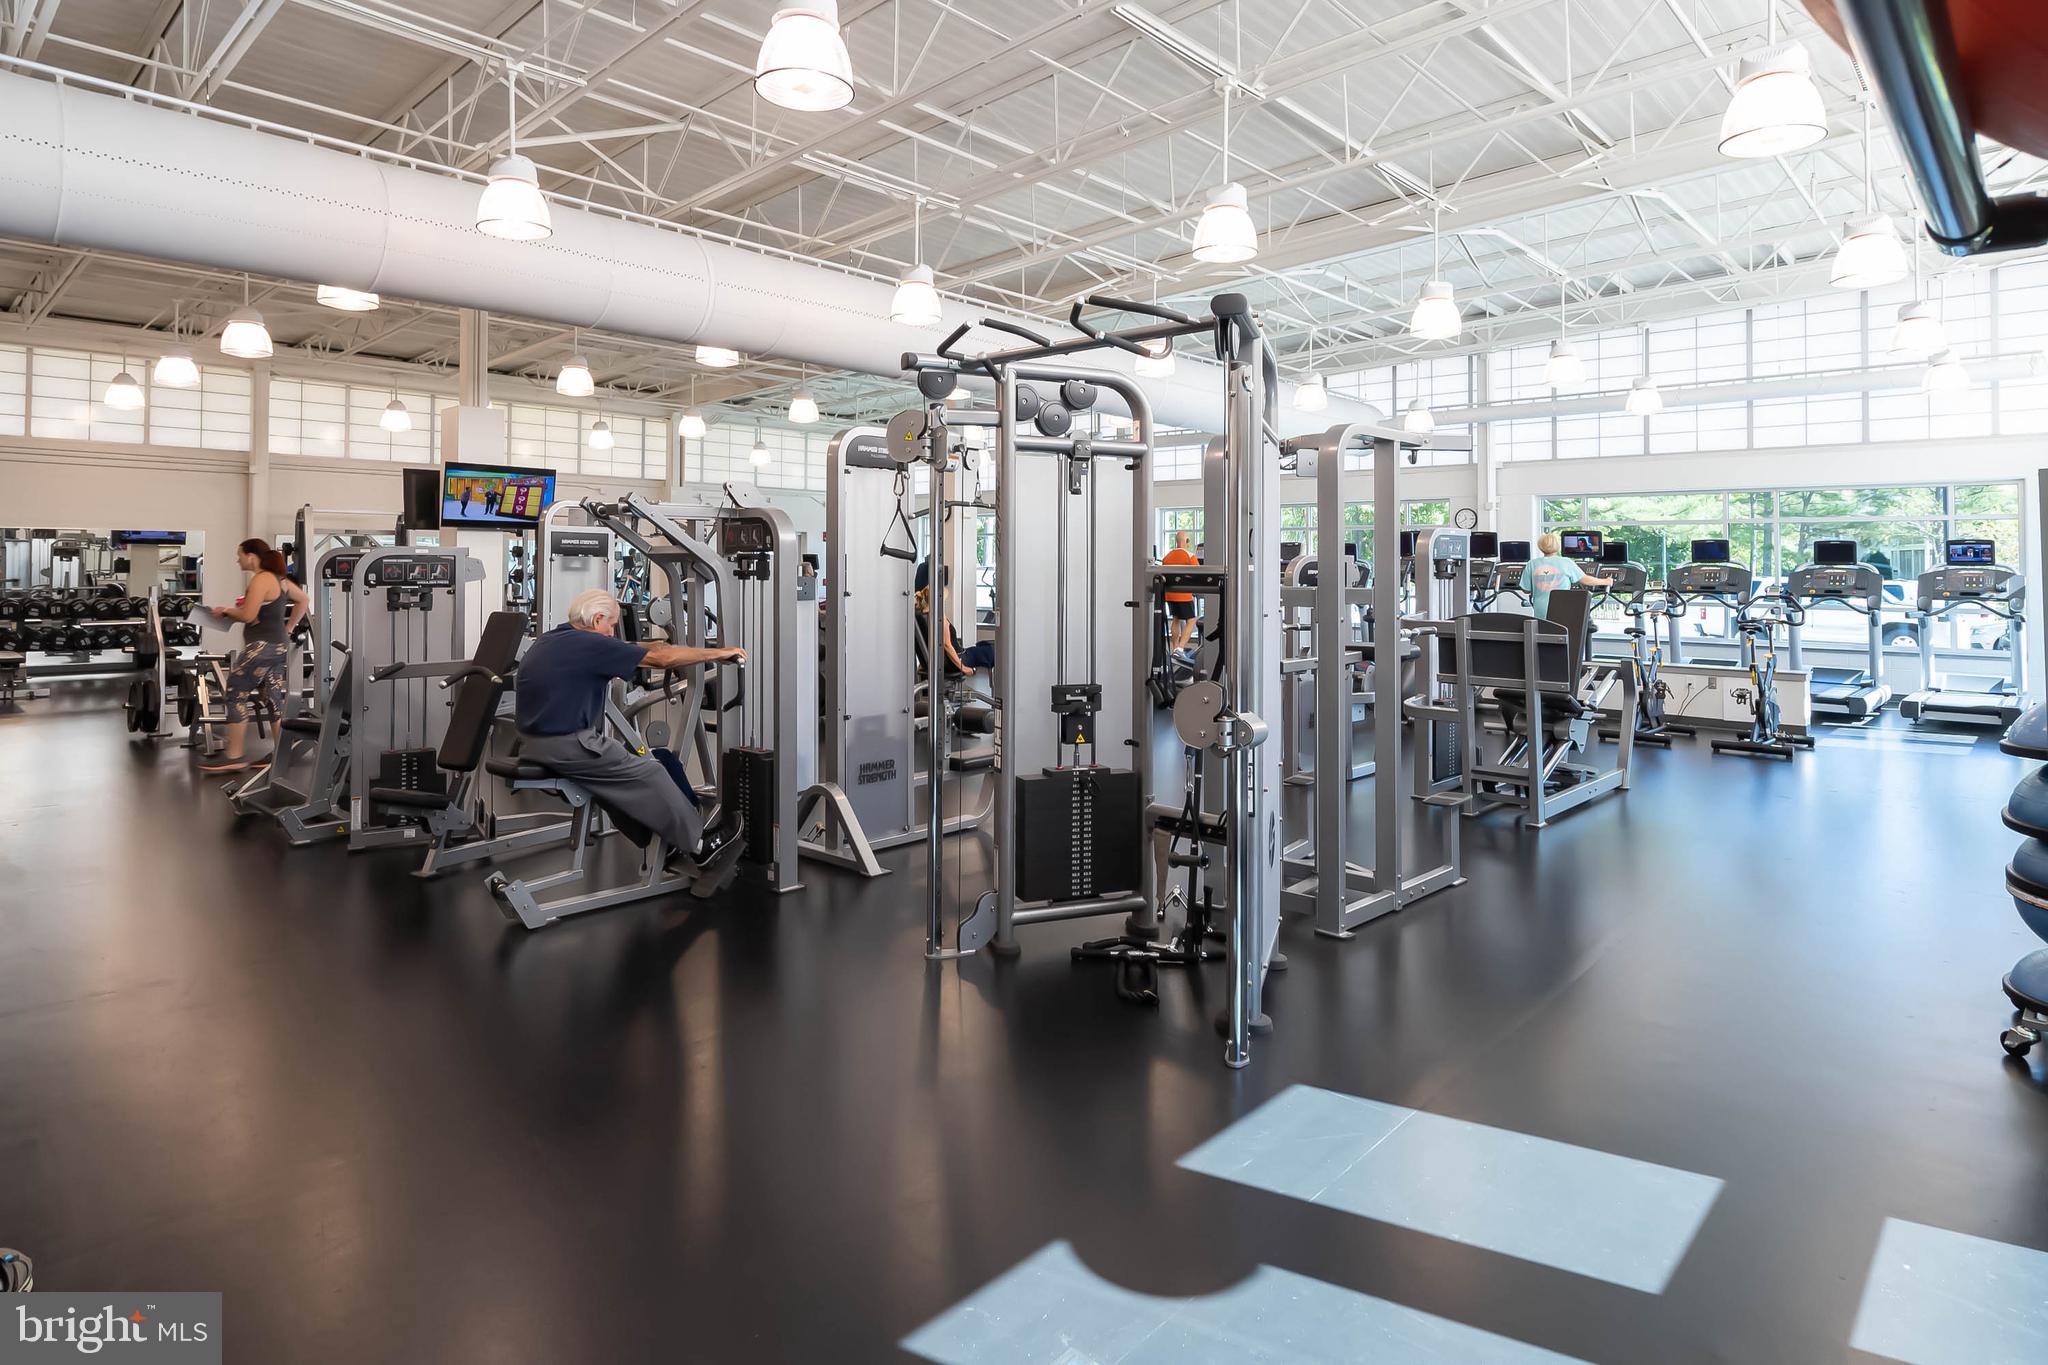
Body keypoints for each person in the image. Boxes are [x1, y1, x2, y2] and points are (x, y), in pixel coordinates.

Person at [515, 588, 746, 880]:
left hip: (533, 744)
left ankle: (663, 839)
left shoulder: (553, 639)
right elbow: (661, 659)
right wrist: (719, 653)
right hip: (570, 746)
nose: (612, 633)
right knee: (652, 770)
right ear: (597, 620)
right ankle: (702, 845)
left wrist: (653, 646)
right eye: (611, 625)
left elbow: (629, 648)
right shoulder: (591, 645)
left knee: (615, 782)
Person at [198, 538, 309, 773]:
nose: (237, 560)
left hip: (261, 647)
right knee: (273, 698)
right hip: (278, 646)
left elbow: (248, 616)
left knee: (235, 694)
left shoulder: (261, 579)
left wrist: (226, 611)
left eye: (239, 555)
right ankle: (281, 754)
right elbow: (304, 600)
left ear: (251, 556)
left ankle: (234, 756)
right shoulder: (280, 580)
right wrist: (289, 628)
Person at [1524, 532, 1614, 620]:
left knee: (1544, 629)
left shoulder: (1531, 564)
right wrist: (1606, 581)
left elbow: (1526, 590)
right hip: (1561, 611)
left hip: (1540, 613)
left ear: (1540, 546)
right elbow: (1585, 580)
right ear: (1557, 546)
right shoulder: (1566, 562)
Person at [917, 583, 993, 676]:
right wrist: (963, 668)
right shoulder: (939, 618)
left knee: (982, 645)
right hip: (956, 659)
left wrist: (924, 662)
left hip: (951, 658)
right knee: (991, 650)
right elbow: (947, 645)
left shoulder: (922, 616)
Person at [1162, 531, 1200, 657]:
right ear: (1187, 541)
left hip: (1170, 594)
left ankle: (1174, 648)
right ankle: (1180, 648)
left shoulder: (1167, 557)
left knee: (1176, 618)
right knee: (1191, 620)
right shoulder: (1190, 556)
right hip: (1183, 594)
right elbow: (1199, 574)